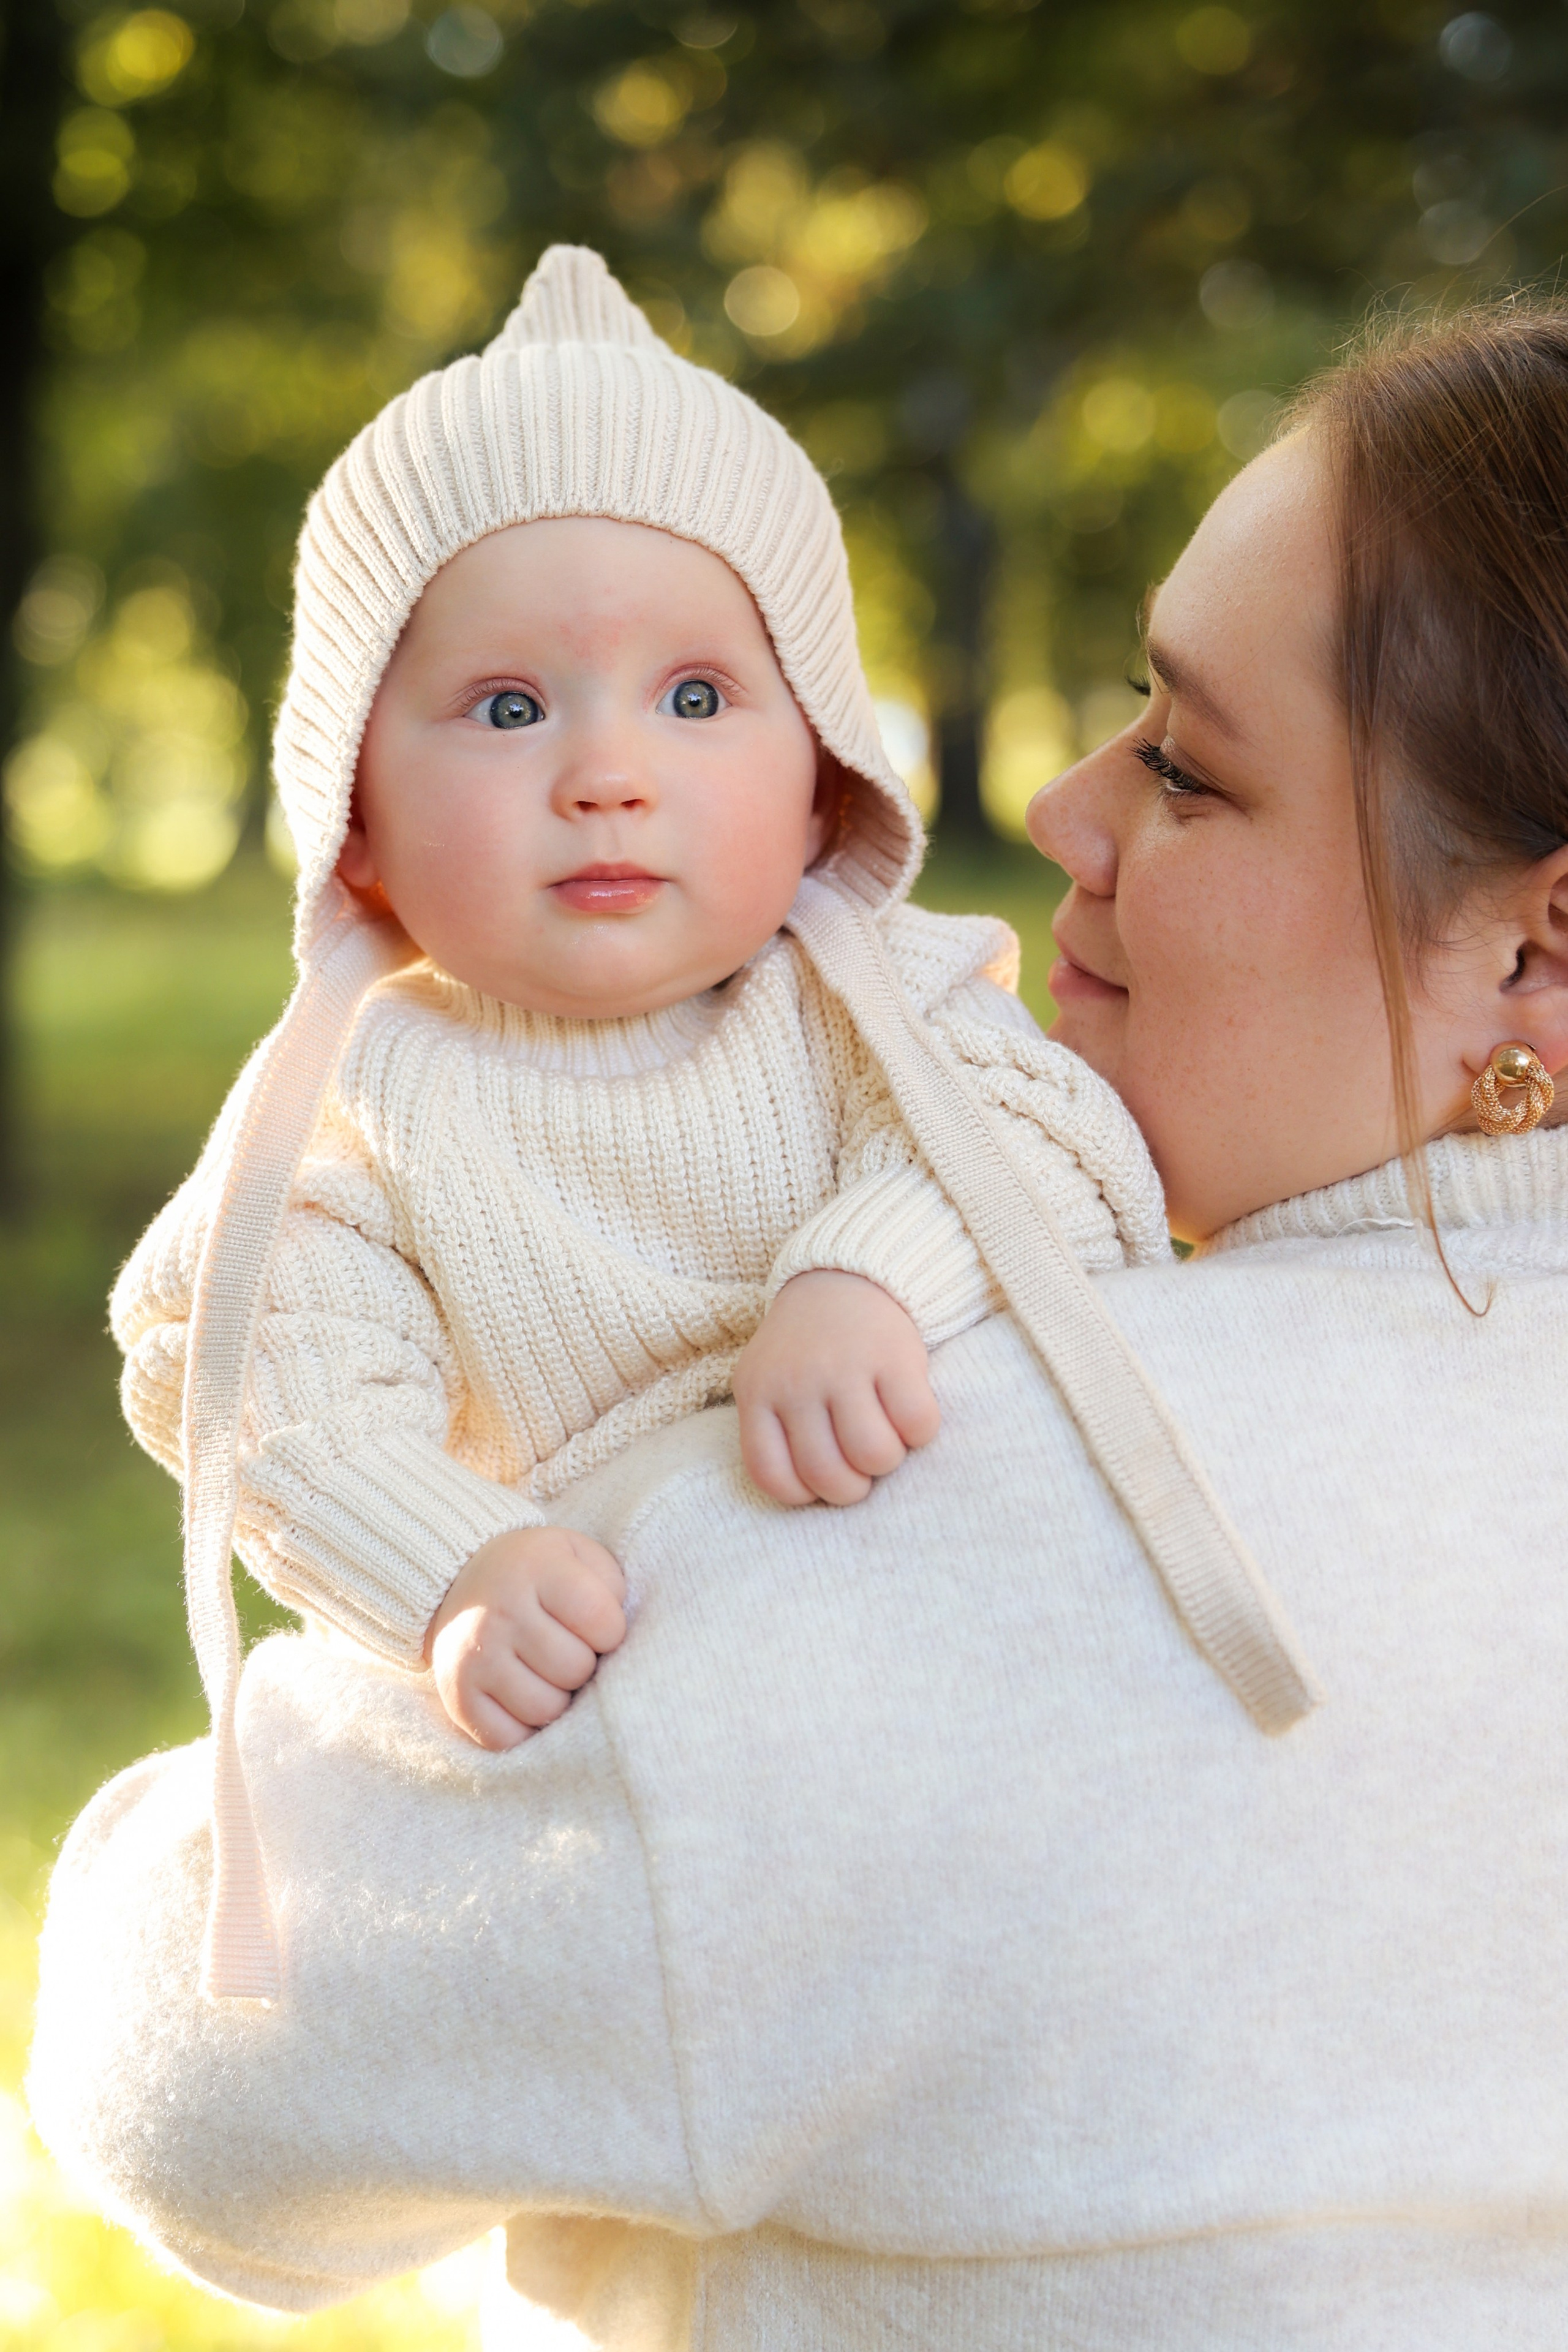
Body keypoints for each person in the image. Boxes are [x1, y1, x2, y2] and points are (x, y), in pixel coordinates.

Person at [31, 301, 1568, 2347]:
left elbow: (174, 2078)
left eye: (1191, 767)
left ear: (1537, 951)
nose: (1066, 799)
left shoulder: (895, 1536)